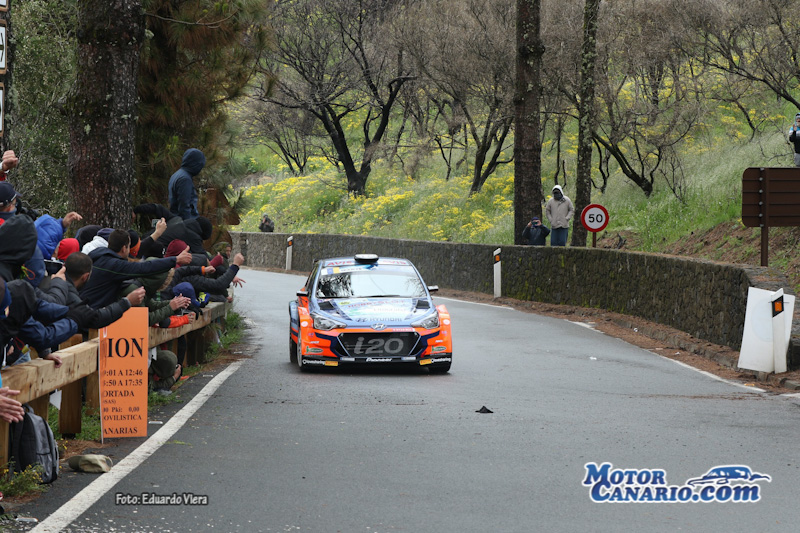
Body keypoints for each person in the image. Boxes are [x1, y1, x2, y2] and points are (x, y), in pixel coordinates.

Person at [80, 229, 192, 309]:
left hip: (84, 306)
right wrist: (176, 259)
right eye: (129, 246)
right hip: (92, 311)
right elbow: (144, 267)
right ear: (124, 248)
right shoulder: (114, 265)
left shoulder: (99, 255)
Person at [168, 148, 205, 220]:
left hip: (176, 219)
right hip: (183, 221)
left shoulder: (177, 175)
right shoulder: (185, 179)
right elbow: (184, 205)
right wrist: (188, 224)